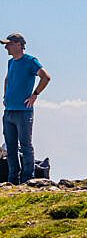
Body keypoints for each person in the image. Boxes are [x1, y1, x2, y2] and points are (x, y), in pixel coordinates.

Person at [2, 33, 52, 185]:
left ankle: (27, 179)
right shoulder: (11, 62)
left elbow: (46, 77)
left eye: (8, 44)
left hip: (24, 112)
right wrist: (5, 97)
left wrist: (35, 94)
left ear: (18, 44)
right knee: (10, 147)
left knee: (25, 145)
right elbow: (7, 79)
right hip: (9, 111)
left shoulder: (30, 61)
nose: (5, 47)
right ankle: (12, 180)